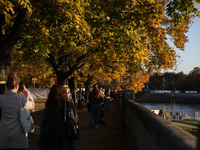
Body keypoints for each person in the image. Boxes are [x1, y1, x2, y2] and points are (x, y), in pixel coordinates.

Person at [0, 72, 35, 150]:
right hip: (18, 134)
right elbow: (32, 105)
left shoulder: (1, 98)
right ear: (17, 86)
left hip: (4, 133)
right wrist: (26, 92)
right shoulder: (21, 99)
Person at [38, 84, 78, 150]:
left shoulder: (49, 107)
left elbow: (43, 125)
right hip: (66, 138)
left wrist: (42, 139)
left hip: (51, 140)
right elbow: (75, 120)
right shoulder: (68, 106)